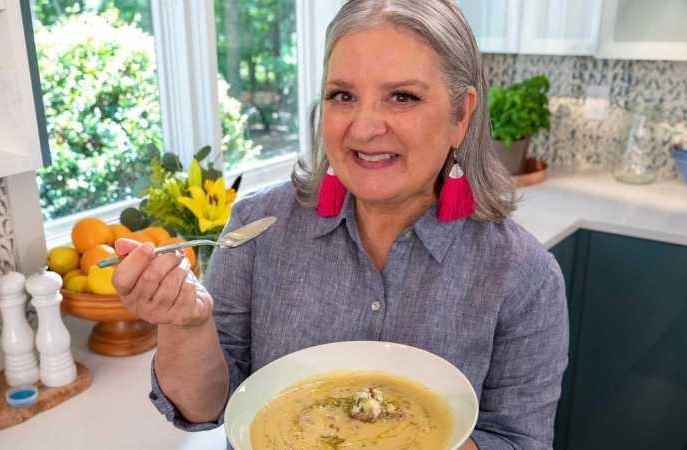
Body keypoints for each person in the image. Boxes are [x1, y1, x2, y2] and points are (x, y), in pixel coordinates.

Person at [112, 0, 568, 448]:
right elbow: (207, 408)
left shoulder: (524, 277)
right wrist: (185, 325)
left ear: (461, 115)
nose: (365, 127)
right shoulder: (256, 227)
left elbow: (517, 442)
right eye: (343, 96)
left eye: (402, 96)